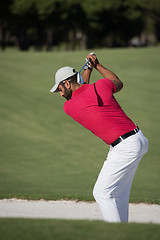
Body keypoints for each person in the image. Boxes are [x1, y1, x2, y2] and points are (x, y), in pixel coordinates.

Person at [50, 53, 148, 223]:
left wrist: (88, 68)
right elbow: (118, 83)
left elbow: (82, 88)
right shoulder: (101, 86)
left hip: (125, 147)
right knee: (118, 193)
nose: (60, 94)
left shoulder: (69, 106)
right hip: (137, 139)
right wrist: (97, 66)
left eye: (59, 89)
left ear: (66, 83)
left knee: (101, 192)